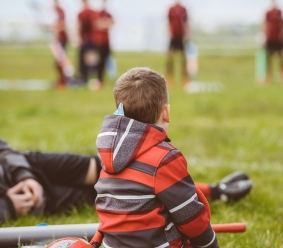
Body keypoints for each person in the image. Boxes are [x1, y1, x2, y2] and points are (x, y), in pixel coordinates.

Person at [92, 68, 244, 248]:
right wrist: (209, 244)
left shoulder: (109, 155)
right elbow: (190, 216)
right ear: (166, 113)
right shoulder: (164, 158)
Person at [0, 137, 251, 224]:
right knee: (116, 191)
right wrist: (7, 207)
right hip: (30, 200)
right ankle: (217, 192)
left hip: (29, 166)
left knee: (107, 170)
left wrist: (26, 175)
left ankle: (214, 189)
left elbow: (3, 148)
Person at [263, 0, 283, 84]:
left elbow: (282, 24)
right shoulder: (268, 12)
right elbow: (264, 24)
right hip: (269, 38)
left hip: (278, 39)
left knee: (281, 58)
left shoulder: (279, 12)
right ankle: (267, 78)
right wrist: (262, 35)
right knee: (268, 59)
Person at [90, 0, 114, 90]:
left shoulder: (108, 13)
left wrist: (104, 24)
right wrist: (105, 24)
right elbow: (96, 24)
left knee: (106, 60)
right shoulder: (96, 13)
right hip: (98, 41)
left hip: (106, 41)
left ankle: (102, 79)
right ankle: (98, 79)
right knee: (98, 61)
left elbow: (111, 23)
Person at [166, 0, 189, 88]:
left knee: (183, 58)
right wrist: (169, 34)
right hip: (173, 36)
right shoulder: (171, 9)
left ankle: (184, 79)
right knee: (170, 58)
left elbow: (186, 23)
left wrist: (188, 35)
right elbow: (168, 22)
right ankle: (170, 79)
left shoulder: (184, 9)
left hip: (181, 36)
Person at [77, 0, 96, 85]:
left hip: (91, 39)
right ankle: (84, 76)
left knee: (90, 59)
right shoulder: (82, 13)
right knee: (84, 59)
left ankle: (89, 76)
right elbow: (79, 26)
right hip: (85, 39)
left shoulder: (91, 12)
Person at [52, 0, 69, 88]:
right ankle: (61, 80)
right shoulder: (54, 10)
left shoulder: (60, 10)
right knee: (58, 62)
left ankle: (63, 81)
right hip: (57, 39)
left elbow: (62, 24)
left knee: (61, 62)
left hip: (61, 39)